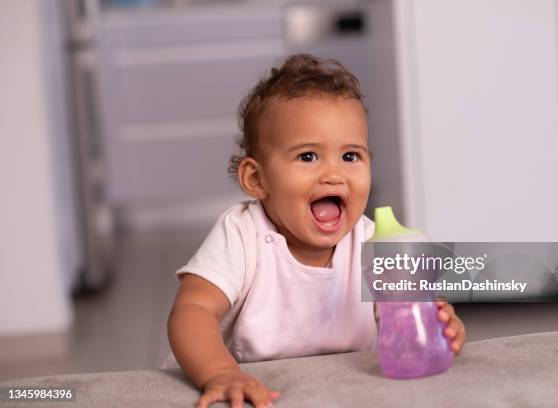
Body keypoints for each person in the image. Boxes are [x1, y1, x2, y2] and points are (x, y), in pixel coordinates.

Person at [167, 54, 466, 408]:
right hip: (254, 383)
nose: (334, 174)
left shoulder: (373, 243)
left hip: (346, 390)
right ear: (257, 179)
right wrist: (220, 373)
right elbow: (192, 311)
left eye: (351, 156)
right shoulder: (242, 234)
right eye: (308, 156)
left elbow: (404, 322)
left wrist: (439, 327)